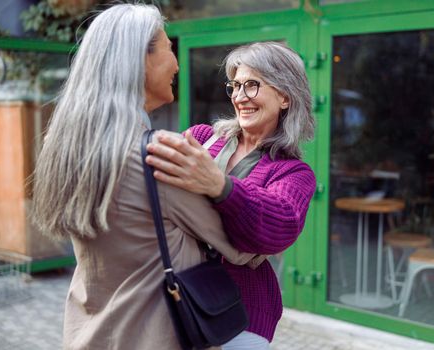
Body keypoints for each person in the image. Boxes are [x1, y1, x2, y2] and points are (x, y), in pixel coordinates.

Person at [32, 4, 258, 349]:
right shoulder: (158, 157)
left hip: (90, 332)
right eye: (169, 49)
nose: (177, 64)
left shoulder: (65, 146)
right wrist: (230, 188)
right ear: (140, 59)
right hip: (152, 335)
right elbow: (240, 247)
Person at [146, 41, 317, 349]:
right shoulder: (201, 138)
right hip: (179, 294)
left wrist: (220, 186)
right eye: (235, 86)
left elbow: (277, 228)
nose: (239, 97)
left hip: (240, 311)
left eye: (252, 85)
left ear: (285, 97)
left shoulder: (293, 173)